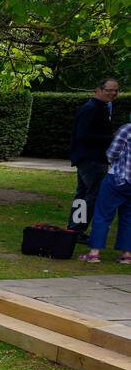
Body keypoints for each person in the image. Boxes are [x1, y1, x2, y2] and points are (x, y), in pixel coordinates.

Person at [68, 77, 120, 242]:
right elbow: (83, 135)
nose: (113, 93)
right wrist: (111, 138)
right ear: (98, 89)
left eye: (115, 90)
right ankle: (77, 230)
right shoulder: (91, 109)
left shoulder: (100, 108)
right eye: (109, 90)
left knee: (83, 195)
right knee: (92, 195)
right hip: (92, 159)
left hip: (89, 158)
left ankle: (75, 230)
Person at [78, 114, 131, 265]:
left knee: (103, 214)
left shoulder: (127, 129)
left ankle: (94, 253)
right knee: (128, 217)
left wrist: (113, 160)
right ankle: (127, 254)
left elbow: (112, 152)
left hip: (118, 177)